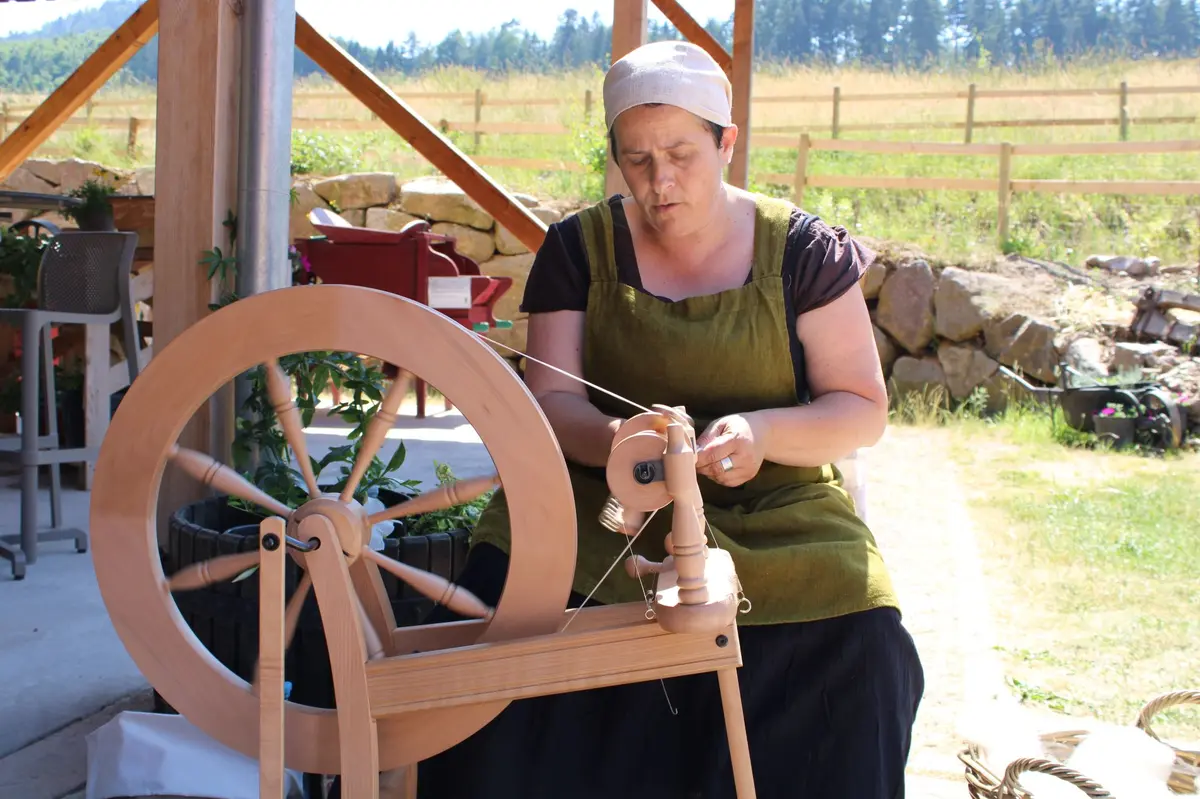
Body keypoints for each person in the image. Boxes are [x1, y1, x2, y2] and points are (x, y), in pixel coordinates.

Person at [414, 41, 924, 799]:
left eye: (682, 152)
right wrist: (619, 443)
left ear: (726, 142)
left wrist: (760, 434)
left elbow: (859, 407)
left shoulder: (804, 252)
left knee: (866, 639)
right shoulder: (578, 250)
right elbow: (552, 404)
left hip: (775, 509)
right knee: (503, 611)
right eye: (636, 159)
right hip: (605, 507)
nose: (660, 180)